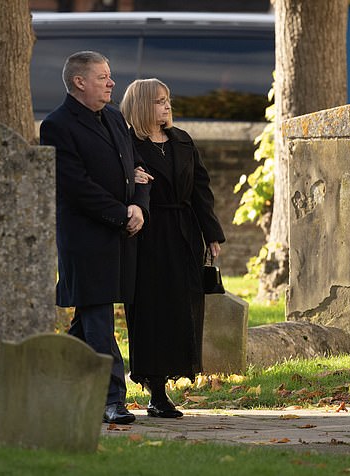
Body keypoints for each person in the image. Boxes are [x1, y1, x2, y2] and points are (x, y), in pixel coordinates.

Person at [39, 51, 150, 425]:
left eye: (109, 75)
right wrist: (121, 214)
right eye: (102, 77)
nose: (111, 83)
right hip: (86, 237)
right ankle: (112, 398)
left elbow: (138, 169)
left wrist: (139, 208)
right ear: (79, 82)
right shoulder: (56, 126)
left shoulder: (116, 117)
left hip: (120, 233)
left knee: (86, 320)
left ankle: (53, 385)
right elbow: (74, 186)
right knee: (98, 314)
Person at [120, 78, 225, 418]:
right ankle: (156, 390)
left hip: (183, 232)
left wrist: (212, 234)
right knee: (151, 310)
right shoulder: (130, 145)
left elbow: (200, 190)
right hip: (148, 234)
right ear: (141, 106)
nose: (166, 106)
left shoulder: (182, 141)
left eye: (168, 100)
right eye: (158, 101)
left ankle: (172, 377)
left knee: (183, 306)